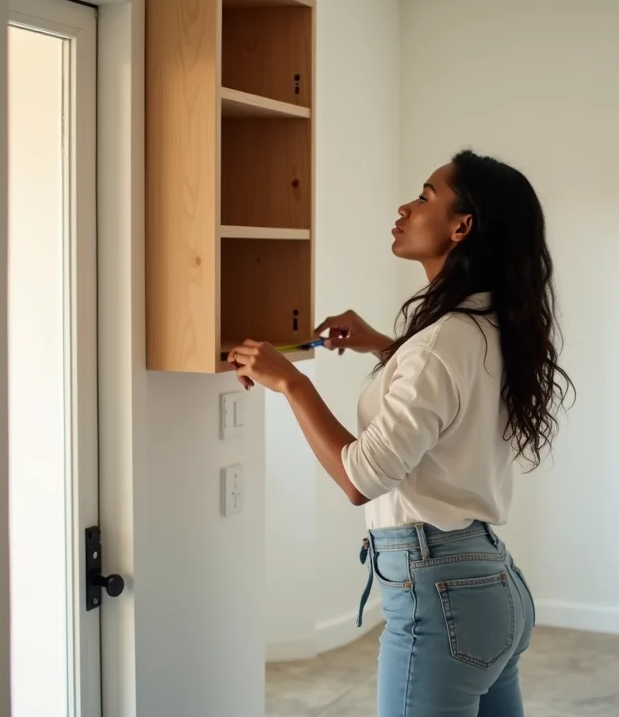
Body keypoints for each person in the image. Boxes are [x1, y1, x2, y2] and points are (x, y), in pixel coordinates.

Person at [227, 149, 574, 717]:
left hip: (442, 597)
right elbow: (449, 400)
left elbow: (360, 478)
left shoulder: (441, 344)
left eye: (424, 197)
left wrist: (290, 383)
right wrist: (382, 346)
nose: (404, 207)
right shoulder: (487, 324)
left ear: (462, 226)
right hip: (491, 587)